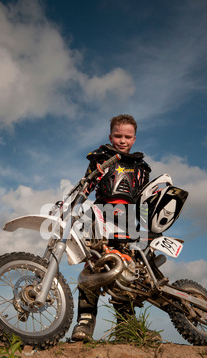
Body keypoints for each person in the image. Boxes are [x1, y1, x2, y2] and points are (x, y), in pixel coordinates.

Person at [71, 114, 151, 342]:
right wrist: (73, 207)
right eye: (118, 135)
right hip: (99, 216)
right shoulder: (100, 157)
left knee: (125, 273)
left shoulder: (141, 166)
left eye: (127, 136)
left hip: (129, 221)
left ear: (134, 138)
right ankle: (84, 323)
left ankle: (126, 328)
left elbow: (145, 200)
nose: (122, 140)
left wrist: (145, 232)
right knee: (93, 267)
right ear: (110, 136)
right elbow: (86, 185)